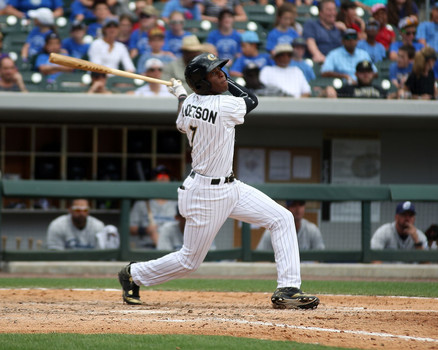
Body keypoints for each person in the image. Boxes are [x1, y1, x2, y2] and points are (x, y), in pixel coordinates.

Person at [118, 52, 320, 310]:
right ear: (202, 83)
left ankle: (288, 289)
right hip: (206, 193)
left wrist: (181, 94)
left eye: (221, 70)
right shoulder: (223, 106)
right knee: (189, 261)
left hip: (229, 186)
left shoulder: (190, 102)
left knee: (282, 218)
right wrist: (191, 91)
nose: (223, 75)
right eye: (215, 73)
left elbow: (183, 117)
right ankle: (134, 273)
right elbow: (251, 99)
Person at [129, 166, 178, 249]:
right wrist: (145, 230)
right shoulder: (141, 204)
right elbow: (129, 228)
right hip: (147, 247)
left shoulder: (177, 204)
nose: (163, 179)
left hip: (172, 249)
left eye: (166, 177)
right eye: (159, 177)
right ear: (152, 181)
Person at [256, 200, 325, 252]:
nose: (298, 209)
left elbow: (320, 259)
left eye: (301, 204)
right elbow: (260, 260)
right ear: (287, 208)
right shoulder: (272, 231)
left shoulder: (312, 230)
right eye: (294, 205)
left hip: (305, 270)